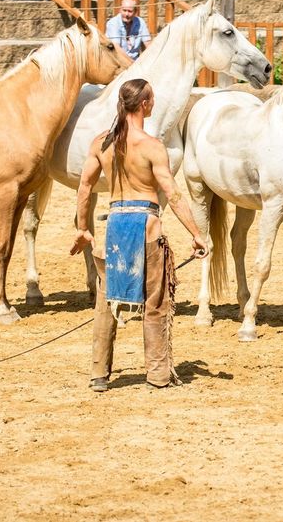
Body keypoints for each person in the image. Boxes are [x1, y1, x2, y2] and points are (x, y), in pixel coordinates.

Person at [70, 79, 208, 392]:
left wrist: (82, 228)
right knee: (156, 302)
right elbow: (172, 194)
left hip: (116, 226)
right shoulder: (151, 146)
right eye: (152, 99)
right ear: (144, 104)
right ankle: (158, 374)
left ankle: (99, 374)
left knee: (107, 302)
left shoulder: (101, 143)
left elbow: (85, 187)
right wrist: (197, 234)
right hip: (146, 226)